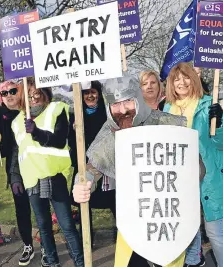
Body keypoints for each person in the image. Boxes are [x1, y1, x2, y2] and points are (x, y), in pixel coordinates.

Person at [72, 73, 188, 267]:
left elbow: (196, 169)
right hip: (133, 218)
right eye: (115, 104)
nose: (123, 110)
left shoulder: (168, 124)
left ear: (138, 99)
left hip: (166, 217)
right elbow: (92, 167)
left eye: (128, 102)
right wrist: (82, 184)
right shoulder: (111, 131)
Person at [164, 62, 223, 267]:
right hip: (180, 179)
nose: (182, 82)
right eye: (177, 79)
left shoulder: (207, 105)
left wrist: (219, 122)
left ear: (193, 79)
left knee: (214, 231)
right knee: (184, 230)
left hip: (208, 177)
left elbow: (222, 143)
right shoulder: (168, 108)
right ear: (171, 84)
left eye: (185, 77)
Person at [10, 78, 84, 267]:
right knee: (43, 226)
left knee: (67, 225)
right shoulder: (17, 121)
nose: (34, 98)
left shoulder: (57, 109)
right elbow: (18, 152)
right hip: (32, 180)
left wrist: (36, 132)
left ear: (45, 93)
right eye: (29, 95)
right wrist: (15, 176)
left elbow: (60, 140)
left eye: (37, 94)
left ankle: (81, 262)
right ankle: (52, 262)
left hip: (54, 177)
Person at [0, 80, 38, 266]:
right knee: (22, 208)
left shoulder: (30, 109)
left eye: (13, 91)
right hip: (16, 170)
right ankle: (28, 245)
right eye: (4, 93)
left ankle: (48, 246)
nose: (9, 95)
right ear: (0, 97)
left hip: (36, 164)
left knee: (41, 208)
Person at [68, 80, 115, 247]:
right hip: (84, 165)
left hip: (106, 165)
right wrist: (74, 131)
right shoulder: (75, 115)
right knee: (84, 203)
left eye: (93, 92)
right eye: (86, 93)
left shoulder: (107, 113)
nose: (90, 95)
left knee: (115, 202)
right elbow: (71, 146)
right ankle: (86, 240)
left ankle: (123, 237)